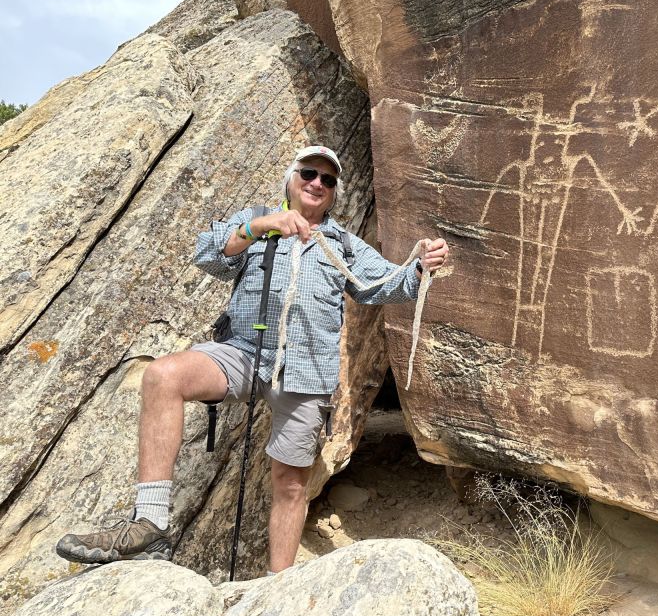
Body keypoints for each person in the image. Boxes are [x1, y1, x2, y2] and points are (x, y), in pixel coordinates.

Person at [55, 145, 450, 572]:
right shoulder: (257, 222)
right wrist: (262, 225)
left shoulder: (344, 247)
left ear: (334, 193)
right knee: (163, 376)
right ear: (291, 178)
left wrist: (421, 267)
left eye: (327, 179)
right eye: (308, 173)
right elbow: (207, 253)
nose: (317, 183)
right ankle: (150, 525)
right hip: (244, 354)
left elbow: (384, 286)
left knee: (291, 483)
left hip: (306, 372)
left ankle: (277, 587)